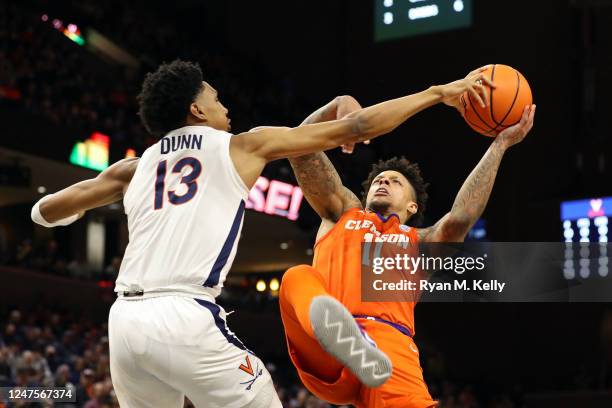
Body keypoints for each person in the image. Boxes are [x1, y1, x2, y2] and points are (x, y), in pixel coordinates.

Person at [31, 59, 489, 407]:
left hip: (124, 322)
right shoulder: (243, 145)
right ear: (196, 110)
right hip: (185, 313)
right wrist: (438, 92)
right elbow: (359, 127)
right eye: (215, 99)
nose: (224, 106)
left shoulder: (132, 168)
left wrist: (51, 214)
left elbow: (48, 209)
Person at [279, 74, 536, 407]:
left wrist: (499, 146)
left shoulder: (420, 242)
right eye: (379, 180)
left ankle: (358, 346)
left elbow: (460, 218)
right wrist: (334, 107)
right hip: (327, 348)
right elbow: (300, 150)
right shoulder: (341, 212)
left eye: (395, 182)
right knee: (298, 278)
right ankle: (344, 335)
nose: (383, 182)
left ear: (412, 206)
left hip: (388, 349)